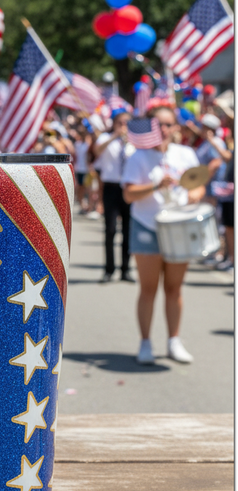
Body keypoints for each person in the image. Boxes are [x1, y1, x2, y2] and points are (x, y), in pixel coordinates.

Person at [122, 109, 205, 365]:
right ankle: (145, 342)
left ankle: (174, 341)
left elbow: (198, 182)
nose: (165, 129)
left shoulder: (185, 153)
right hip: (147, 225)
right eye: (160, 124)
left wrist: (197, 193)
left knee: (174, 288)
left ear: (176, 127)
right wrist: (157, 186)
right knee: (148, 289)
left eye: (169, 124)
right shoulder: (138, 156)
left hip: (178, 226)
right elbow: (129, 194)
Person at [93, 109, 134, 282]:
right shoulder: (105, 138)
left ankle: (126, 269)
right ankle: (109, 269)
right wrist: (114, 136)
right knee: (110, 229)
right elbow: (97, 151)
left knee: (128, 230)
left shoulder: (134, 142)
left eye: (126, 123)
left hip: (128, 187)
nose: (123, 126)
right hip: (111, 187)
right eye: (120, 123)